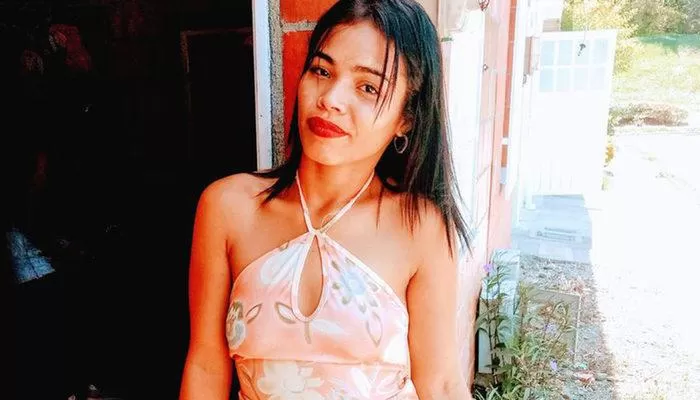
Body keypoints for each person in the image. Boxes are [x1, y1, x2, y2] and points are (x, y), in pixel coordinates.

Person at [179, 0, 476, 398]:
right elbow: (205, 364)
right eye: (321, 70)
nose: (331, 98)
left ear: (406, 118)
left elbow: (440, 383)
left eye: (367, 87)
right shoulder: (228, 207)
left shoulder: (421, 227)